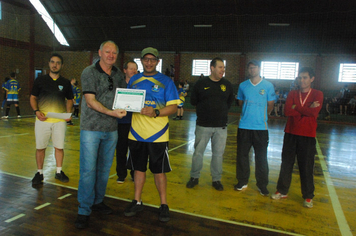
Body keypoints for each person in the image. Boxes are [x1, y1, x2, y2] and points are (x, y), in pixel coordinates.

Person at [75, 41, 127, 229]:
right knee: (88, 171)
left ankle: (97, 201)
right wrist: (112, 113)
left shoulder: (118, 75)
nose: (111, 55)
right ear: (100, 52)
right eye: (107, 51)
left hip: (111, 130)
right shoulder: (89, 72)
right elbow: (90, 101)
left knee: (104, 171)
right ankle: (84, 209)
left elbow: (124, 97)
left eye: (114, 52)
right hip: (91, 129)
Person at [124, 47, 179, 222]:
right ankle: (137, 201)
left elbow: (173, 107)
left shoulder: (166, 82)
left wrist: (155, 112)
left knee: (159, 171)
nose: (149, 62)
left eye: (152, 60)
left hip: (158, 135)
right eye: (145, 59)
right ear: (141, 61)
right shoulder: (134, 80)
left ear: (157, 61)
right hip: (136, 133)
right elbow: (127, 102)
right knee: (138, 169)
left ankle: (163, 204)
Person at [271, 67, 323, 208]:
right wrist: (307, 107)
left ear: (312, 79)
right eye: (300, 77)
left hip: (307, 135)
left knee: (306, 166)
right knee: (286, 163)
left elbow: (313, 113)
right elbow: (287, 110)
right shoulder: (293, 93)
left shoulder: (318, 94)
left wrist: (297, 107)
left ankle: (308, 196)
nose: (302, 80)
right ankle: (282, 191)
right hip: (290, 133)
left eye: (305, 77)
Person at [186, 57, 234, 191]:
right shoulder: (201, 84)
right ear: (212, 68)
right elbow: (194, 101)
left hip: (221, 126)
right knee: (198, 153)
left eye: (224, 68)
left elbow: (229, 102)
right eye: (220, 67)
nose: (222, 70)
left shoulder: (227, 85)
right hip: (203, 125)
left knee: (218, 155)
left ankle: (216, 179)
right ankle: (194, 177)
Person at [30, 53, 73, 185]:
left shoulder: (65, 83)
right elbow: (33, 97)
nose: (55, 65)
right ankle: (39, 173)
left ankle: (59, 171)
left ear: (62, 65)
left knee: (59, 147)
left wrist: (68, 114)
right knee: (40, 148)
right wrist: (36, 111)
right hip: (42, 120)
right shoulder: (40, 80)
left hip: (59, 121)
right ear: (49, 64)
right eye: (53, 62)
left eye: (58, 62)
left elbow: (70, 100)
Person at [234, 60, 276, 196]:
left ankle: (262, 185)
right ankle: (242, 181)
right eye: (250, 68)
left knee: (261, 158)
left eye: (254, 67)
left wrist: (262, 115)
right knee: (242, 156)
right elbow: (240, 102)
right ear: (248, 70)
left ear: (259, 68)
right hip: (244, 126)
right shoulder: (242, 86)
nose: (252, 70)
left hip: (261, 128)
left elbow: (270, 105)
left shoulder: (268, 86)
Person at [116, 60, 138, 183]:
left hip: (136, 122)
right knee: (121, 149)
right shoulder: (119, 85)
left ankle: (135, 173)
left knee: (135, 149)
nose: (134, 71)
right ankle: (121, 174)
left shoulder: (139, 85)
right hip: (122, 122)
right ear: (125, 70)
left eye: (135, 69)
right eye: (131, 68)